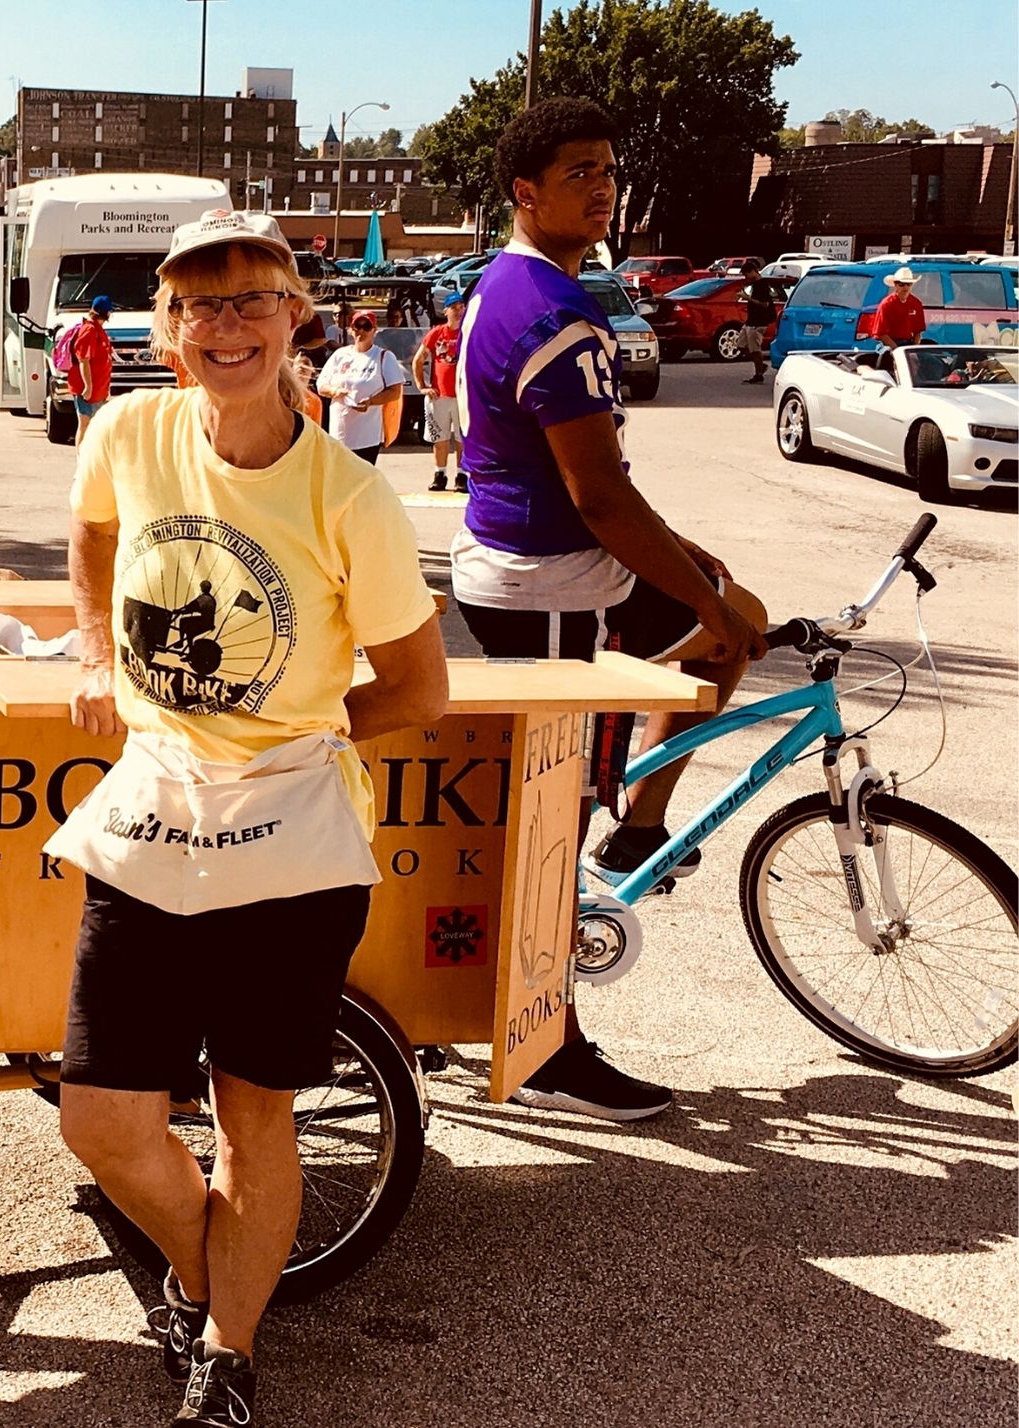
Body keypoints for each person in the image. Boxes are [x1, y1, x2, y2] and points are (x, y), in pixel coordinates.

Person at [54, 208, 447, 1427]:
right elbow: (92, 536)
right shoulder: (126, 428)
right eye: (198, 305)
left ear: (297, 318)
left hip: (289, 837)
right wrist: (89, 646)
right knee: (102, 1122)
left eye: (250, 300)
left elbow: (418, 686)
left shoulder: (351, 497)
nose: (224, 326)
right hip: (153, 807)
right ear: (166, 328)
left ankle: (226, 1348)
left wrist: (308, 736)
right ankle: (201, 1269)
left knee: (251, 1111)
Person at [450, 96, 768, 1121]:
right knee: (546, 832)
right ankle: (548, 1046)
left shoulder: (511, 284)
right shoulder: (547, 309)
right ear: (523, 190)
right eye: (579, 172)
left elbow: (604, 486)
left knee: (733, 614)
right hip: (546, 586)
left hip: (557, 564)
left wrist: (693, 570)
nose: (602, 188)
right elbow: (593, 495)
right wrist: (695, 596)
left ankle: (636, 831)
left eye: (608, 172)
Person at [315, 311, 404, 464]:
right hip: (340, 432)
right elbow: (321, 385)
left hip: (367, 435)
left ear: (374, 330)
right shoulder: (340, 355)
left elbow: (395, 391)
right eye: (357, 326)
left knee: (363, 481)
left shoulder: (383, 357)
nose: (361, 331)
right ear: (351, 329)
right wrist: (335, 391)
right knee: (340, 480)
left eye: (366, 326)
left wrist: (371, 401)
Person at [413, 290, 468, 491]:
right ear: (446, 311)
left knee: (462, 438)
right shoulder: (437, 333)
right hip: (440, 394)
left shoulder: (468, 332)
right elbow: (419, 360)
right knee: (440, 437)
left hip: (462, 395)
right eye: (454, 308)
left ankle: (462, 474)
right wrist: (422, 386)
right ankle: (440, 473)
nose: (458, 311)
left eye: (461, 307)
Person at [69, 293, 115, 445]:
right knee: (85, 425)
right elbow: (84, 360)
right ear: (107, 313)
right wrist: (88, 386)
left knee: (94, 427)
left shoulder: (97, 329)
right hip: (87, 390)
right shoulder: (89, 331)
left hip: (98, 389)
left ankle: (90, 462)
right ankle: (82, 461)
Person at [738, 258, 775, 384]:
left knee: (755, 348)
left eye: (747, 274)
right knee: (741, 345)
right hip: (751, 321)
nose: (746, 277)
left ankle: (759, 374)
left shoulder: (762, 285)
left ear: (753, 271)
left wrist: (747, 298)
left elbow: (765, 304)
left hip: (759, 322)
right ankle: (760, 365)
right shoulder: (754, 285)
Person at [875, 266, 926, 350]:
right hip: (888, 344)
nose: (905, 287)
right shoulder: (886, 304)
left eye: (908, 284)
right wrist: (897, 350)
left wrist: (914, 349)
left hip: (908, 343)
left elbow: (918, 331)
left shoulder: (916, 304)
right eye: (901, 284)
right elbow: (881, 334)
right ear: (895, 285)